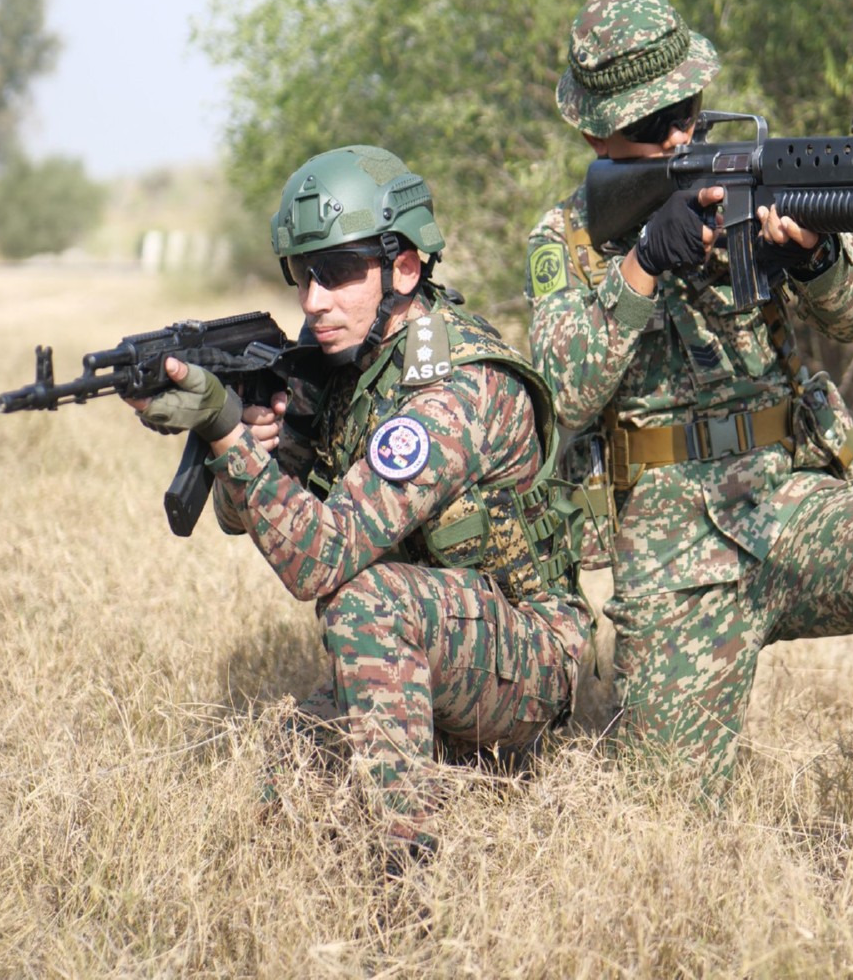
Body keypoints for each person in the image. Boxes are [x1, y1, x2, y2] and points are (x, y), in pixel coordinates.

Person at [524, 0, 853, 814]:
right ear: (592, 131)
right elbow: (562, 391)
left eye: (687, 107)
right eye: (655, 126)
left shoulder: (748, 182)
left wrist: (810, 258)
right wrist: (645, 264)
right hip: (668, 544)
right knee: (669, 818)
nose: (682, 132)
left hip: (782, 499)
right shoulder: (568, 236)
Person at [132, 144, 590, 858]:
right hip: (442, 637)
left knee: (365, 600)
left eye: (339, 274)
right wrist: (258, 445)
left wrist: (223, 427)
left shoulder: (451, 389)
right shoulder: (354, 369)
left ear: (404, 266)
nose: (314, 301)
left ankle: (405, 873)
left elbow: (319, 560)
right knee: (286, 766)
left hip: (529, 659)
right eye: (302, 276)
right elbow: (238, 518)